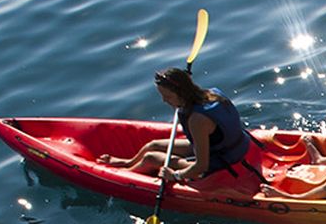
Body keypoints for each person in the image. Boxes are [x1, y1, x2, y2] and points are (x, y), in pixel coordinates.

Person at [100, 68, 260, 191]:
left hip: (221, 161)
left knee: (151, 158)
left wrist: (175, 175)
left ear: (182, 92)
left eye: (168, 97)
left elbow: (201, 166)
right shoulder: (212, 93)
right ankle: (127, 163)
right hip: (227, 147)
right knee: (153, 145)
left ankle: (124, 179)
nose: (164, 101)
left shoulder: (197, 120)